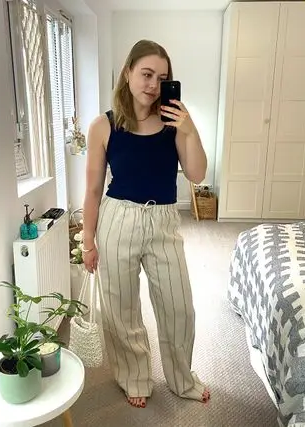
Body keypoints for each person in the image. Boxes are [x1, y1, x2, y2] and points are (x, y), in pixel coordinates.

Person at [82, 39, 209, 409]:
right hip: (117, 216)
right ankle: (134, 375)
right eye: (147, 74)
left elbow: (198, 174)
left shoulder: (175, 123)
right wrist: (88, 242)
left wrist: (189, 128)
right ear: (128, 73)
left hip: (163, 220)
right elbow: (91, 190)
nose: (153, 84)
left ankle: (182, 378)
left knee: (178, 306)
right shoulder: (102, 126)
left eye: (162, 77)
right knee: (121, 307)